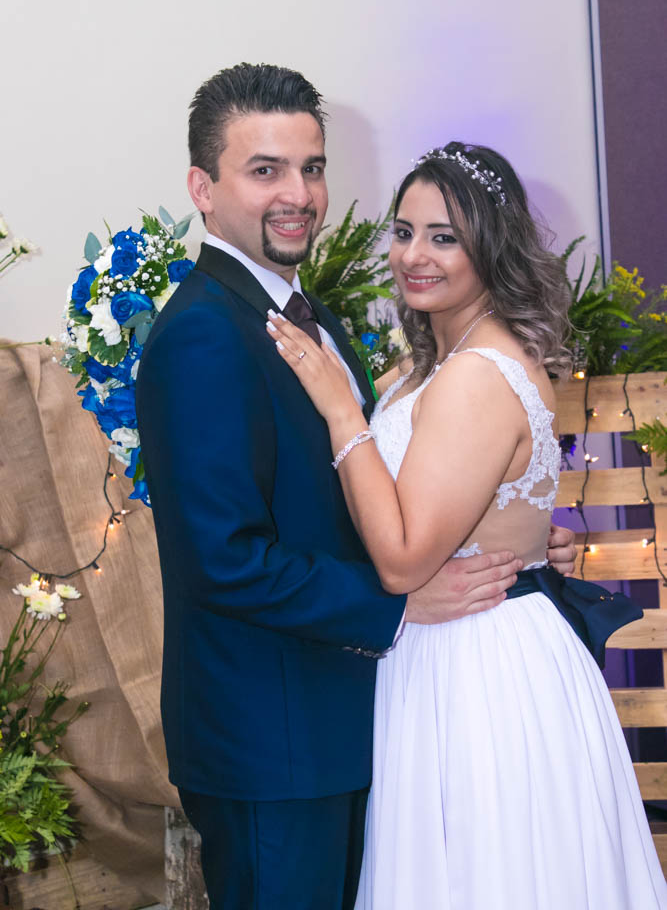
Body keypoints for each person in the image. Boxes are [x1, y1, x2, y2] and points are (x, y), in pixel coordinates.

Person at [135, 65, 577, 909]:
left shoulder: (310, 318)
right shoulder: (204, 334)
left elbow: (369, 489)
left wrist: (493, 528)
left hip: (354, 722)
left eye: (311, 167)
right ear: (202, 188)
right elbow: (222, 560)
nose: (297, 194)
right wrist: (399, 602)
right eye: (264, 170)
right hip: (272, 742)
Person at [269, 142, 667, 909]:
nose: (413, 255)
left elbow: (401, 561)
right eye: (403, 231)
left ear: (491, 246)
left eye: (443, 237)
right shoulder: (425, 365)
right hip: (438, 647)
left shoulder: (477, 375)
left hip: (480, 666)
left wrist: (341, 411)